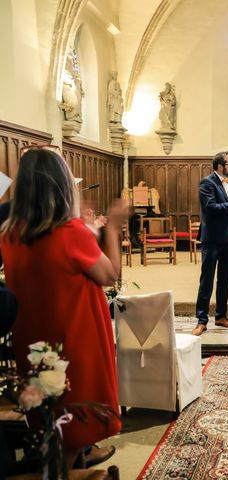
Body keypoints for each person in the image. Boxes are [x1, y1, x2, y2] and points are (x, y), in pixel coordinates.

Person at [0, 146, 128, 467]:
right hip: (74, 335)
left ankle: (68, 457)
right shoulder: (68, 233)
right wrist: (111, 228)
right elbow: (110, 274)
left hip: (34, 337)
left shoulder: (10, 233)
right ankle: (67, 466)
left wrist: (88, 231)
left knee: (50, 408)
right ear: (61, 183)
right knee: (74, 412)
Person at [192, 151, 228, 335]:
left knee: (224, 280)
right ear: (220, 166)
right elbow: (210, 208)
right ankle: (201, 319)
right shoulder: (207, 183)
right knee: (207, 279)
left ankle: (221, 316)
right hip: (213, 239)